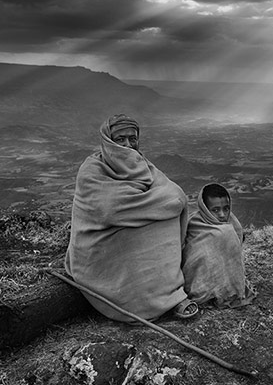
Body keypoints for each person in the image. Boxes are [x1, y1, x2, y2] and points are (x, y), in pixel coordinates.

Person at [65, 114, 198, 322]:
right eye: (120, 139)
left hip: (129, 230)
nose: (128, 145)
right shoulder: (92, 169)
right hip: (100, 246)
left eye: (132, 138)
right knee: (144, 235)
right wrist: (153, 205)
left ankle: (170, 294)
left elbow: (176, 195)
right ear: (108, 140)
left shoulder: (142, 163)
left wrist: (145, 206)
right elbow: (109, 209)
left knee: (162, 228)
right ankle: (141, 302)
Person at [181, 183, 256, 308]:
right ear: (204, 208)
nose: (222, 215)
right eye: (215, 210)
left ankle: (226, 288)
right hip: (197, 286)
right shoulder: (193, 223)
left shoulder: (233, 225)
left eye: (226, 208)